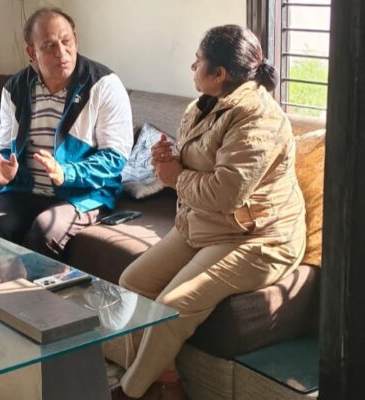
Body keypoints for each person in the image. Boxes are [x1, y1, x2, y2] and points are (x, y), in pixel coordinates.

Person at [111, 25, 306, 400]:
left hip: (256, 237)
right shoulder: (204, 104)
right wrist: (166, 160)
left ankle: (130, 392)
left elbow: (225, 193)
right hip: (203, 223)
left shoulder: (259, 119)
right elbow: (196, 164)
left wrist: (175, 176)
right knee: (132, 283)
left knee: (170, 307)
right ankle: (165, 384)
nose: (192, 66)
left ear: (220, 73)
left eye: (198, 61)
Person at [0, 8, 133, 259]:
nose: (61, 52)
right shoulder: (15, 89)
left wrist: (65, 173)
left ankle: (37, 287)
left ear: (75, 40)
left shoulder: (104, 84)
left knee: (45, 231)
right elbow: (6, 145)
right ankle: (6, 285)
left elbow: (115, 157)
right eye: (49, 46)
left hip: (83, 194)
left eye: (66, 41)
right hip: (24, 190)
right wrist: (8, 170)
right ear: (32, 52)